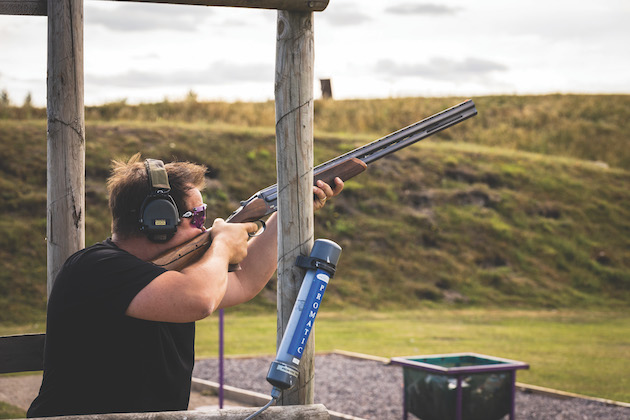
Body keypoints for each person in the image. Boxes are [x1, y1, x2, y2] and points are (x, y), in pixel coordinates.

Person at [27, 154, 343, 417]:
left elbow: (244, 282)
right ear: (158, 220)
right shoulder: (95, 268)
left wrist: (288, 213)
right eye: (197, 216)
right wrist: (222, 246)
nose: (205, 226)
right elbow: (199, 299)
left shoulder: (173, 274)